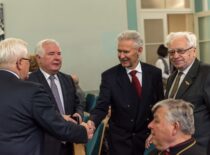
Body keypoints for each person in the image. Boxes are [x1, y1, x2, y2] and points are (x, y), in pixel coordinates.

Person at [0, 38, 93, 155]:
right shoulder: (30, 89)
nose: (29, 65)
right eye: (28, 61)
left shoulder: (66, 79)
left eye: (59, 54)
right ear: (19, 63)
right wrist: (83, 132)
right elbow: (54, 124)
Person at [88, 30, 164, 155]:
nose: (121, 56)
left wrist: (156, 131)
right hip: (120, 142)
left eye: (126, 52)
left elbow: (160, 106)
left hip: (147, 140)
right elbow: (101, 107)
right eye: (119, 51)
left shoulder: (154, 73)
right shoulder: (109, 76)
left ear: (139, 50)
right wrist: (92, 122)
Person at [28, 39, 84, 155]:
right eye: (51, 54)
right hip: (44, 146)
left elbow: (78, 102)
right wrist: (59, 117)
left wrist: (78, 113)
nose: (57, 58)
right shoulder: (29, 82)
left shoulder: (67, 79)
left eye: (59, 54)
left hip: (70, 144)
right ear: (39, 58)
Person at [164, 32, 210, 152]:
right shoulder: (172, 78)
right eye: (172, 52)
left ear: (193, 51)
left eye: (180, 51)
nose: (175, 55)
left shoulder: (207, 73)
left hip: (200, 146)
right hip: (176, 146)